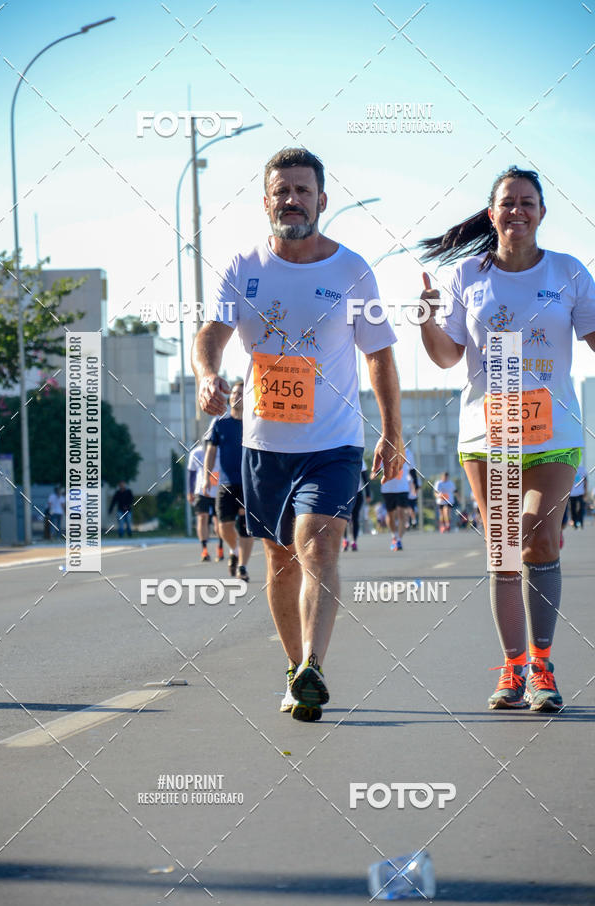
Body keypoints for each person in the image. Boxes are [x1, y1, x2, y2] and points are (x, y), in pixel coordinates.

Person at [193, 147, 403, 722]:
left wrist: (392, 431)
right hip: (264, 444)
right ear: (266, 202)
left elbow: (379, 356)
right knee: (281, 559)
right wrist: (208, 374)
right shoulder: (244, 266)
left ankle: (314, 664)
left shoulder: (352, 270)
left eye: (302, 191)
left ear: (322, 200)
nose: (292, 200)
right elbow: (211, 333)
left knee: (319, 544)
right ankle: (294, 669)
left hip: (333, 443)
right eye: (281, 191)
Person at [418, 164, 595, 712]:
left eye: (527, 202)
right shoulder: (466, 276)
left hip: (553, 431)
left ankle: (542, 665)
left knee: (537, 533)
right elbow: (446, 356)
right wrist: (426, 320)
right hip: (488, 433)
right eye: (508, 202)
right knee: (504, 551)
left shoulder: (568, 271)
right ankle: (513, 668)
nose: (517, 210)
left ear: (541, 212)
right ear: (491, 214)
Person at [203, 381, 253, 581]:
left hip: (248, 484)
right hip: (226, 483)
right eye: (233, 393)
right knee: (223, 526)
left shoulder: (253, 423)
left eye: (240, 393)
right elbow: (210, 452)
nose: (235, 396)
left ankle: (242, 567)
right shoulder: (220, 423)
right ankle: (234, 550)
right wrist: (206, 478)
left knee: (245, 527)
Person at [187, 442, 223, 562]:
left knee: (219, 523)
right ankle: (204, 549)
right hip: (201, 491)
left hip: (218, 491)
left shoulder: (221, 451)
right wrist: (190, 491)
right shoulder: (196, 453)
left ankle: (220, 547)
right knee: (202, 518)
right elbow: (191, 473)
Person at [381, 445, 415, 550]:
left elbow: (412, 470)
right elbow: (377, 468)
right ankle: (394, 536)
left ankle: (399, 540)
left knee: (401, 513)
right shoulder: (383, 450)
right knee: (390, 515)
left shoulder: (407, 452)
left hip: (403, 488)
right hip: (387, 488)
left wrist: (416, 486)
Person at [343, 466, 371, 551]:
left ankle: (354, 541)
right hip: (344, 493)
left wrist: (368, 494)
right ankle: (345, 540)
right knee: (343, 518)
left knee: (355, 518)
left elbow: (365, 477)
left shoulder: (360, 459)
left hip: (357, 493)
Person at [569, 463, 587, 528]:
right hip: (572, 493)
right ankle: (574, 522)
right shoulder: (570, 468)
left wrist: (585, 491)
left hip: (580, 493)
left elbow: (585, 480)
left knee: (581, 508)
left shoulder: (582, 469)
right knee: (573, 509)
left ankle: (581, 522)